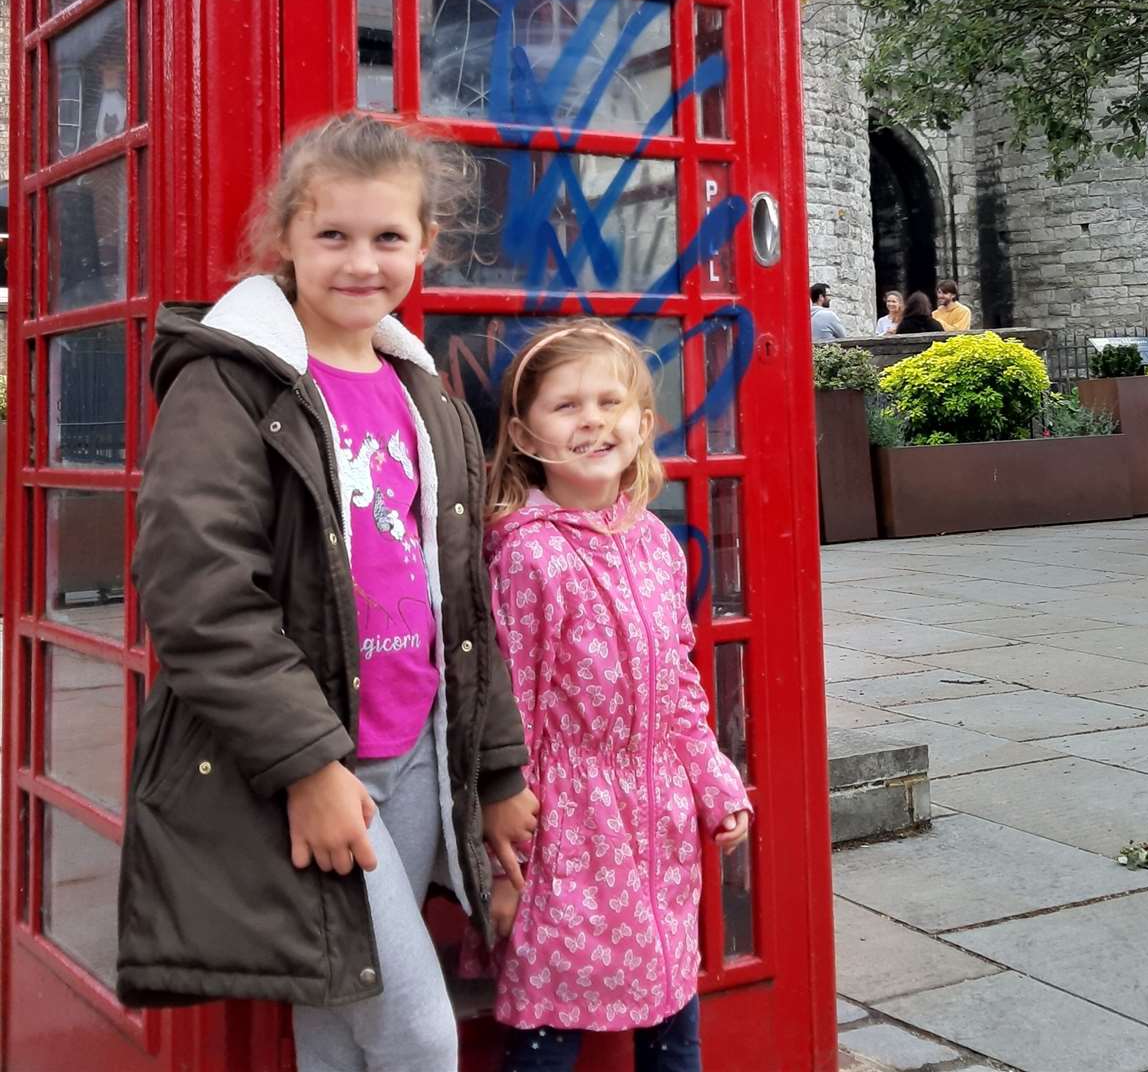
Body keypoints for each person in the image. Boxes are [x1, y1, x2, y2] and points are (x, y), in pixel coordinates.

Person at [117, 113, 540, 1072]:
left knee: (338, 1017)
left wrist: (499, 771)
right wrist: (308, 767)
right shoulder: (231, 383)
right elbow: (200, 591)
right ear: (287, 241)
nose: (362, 262)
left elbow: (464, 601)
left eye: (388, 237)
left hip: (419, 753)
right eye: (333, 236)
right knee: (420, 1037)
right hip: (313, 762)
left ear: (426, 243)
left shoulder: (420, 389)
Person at [477, 320, 753, 1071]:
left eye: (609, 402)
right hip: (564, 827)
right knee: (547, 1014)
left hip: (658, 820)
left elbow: (679, 683)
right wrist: (503, 862)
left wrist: (710, 778)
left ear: (642, 426)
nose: (592, 419)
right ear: (524, 435)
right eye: (566, 406)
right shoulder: (529, 554)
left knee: (672, 1004)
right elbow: (511, 710)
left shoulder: (654, 543)